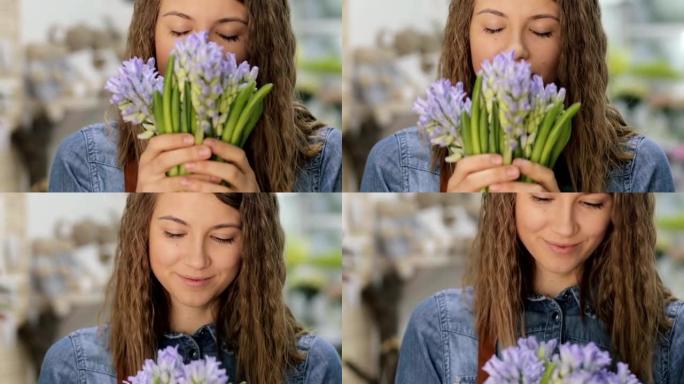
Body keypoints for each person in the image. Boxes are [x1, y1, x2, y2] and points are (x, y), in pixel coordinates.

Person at [361, 0, 674, 192]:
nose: (516, 50)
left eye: (541, 31)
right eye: (494, 28)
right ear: (465, 33)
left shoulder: (639, 166)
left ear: (575, 44)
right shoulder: (396, 164)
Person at [39, 193, 342, 383]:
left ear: (253, 244)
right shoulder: (75, 365)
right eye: (174, 233)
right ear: (142, 233)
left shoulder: (312, 366)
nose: (197, 260)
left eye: (223, 237)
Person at [49, 0, 342, 192]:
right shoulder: (84, 160)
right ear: (150, 35)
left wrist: (258, 207)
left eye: (228, 35)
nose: (201, 52)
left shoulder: (327, 160)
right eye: (179, 30)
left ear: (262, 48)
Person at [395, 193, 683, 384]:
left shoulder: (674, 336)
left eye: (592, 203)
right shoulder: (439, 327)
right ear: (507, 199)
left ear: (620, 208)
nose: (564, 228)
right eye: (542, 198)